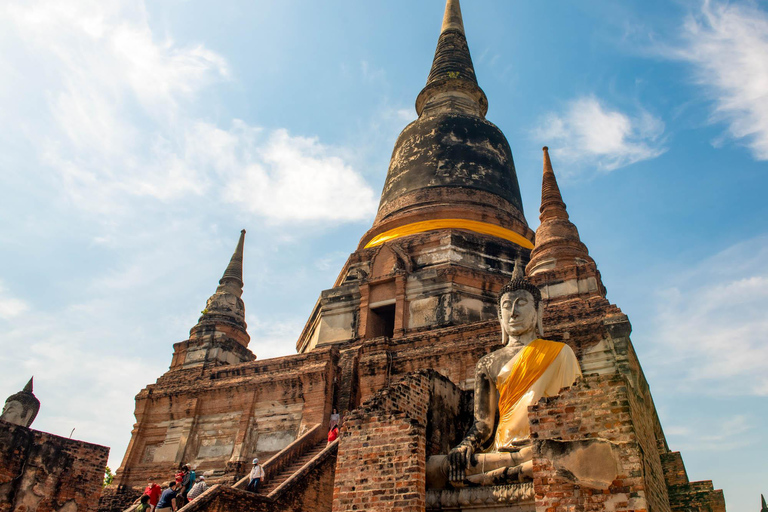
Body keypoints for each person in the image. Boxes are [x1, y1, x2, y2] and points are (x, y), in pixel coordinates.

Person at [445, 259, 581, 486]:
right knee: (443, 466)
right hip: (502, 450)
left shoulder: (561, 353)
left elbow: (573, 410)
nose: (513, 312)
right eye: (507, 306)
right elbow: (483, 425)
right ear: (499, 316)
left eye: (521, 303)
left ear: (538, 310)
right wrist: (464, 446)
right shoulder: (488, 363)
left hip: (542, 443)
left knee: (551, 456)